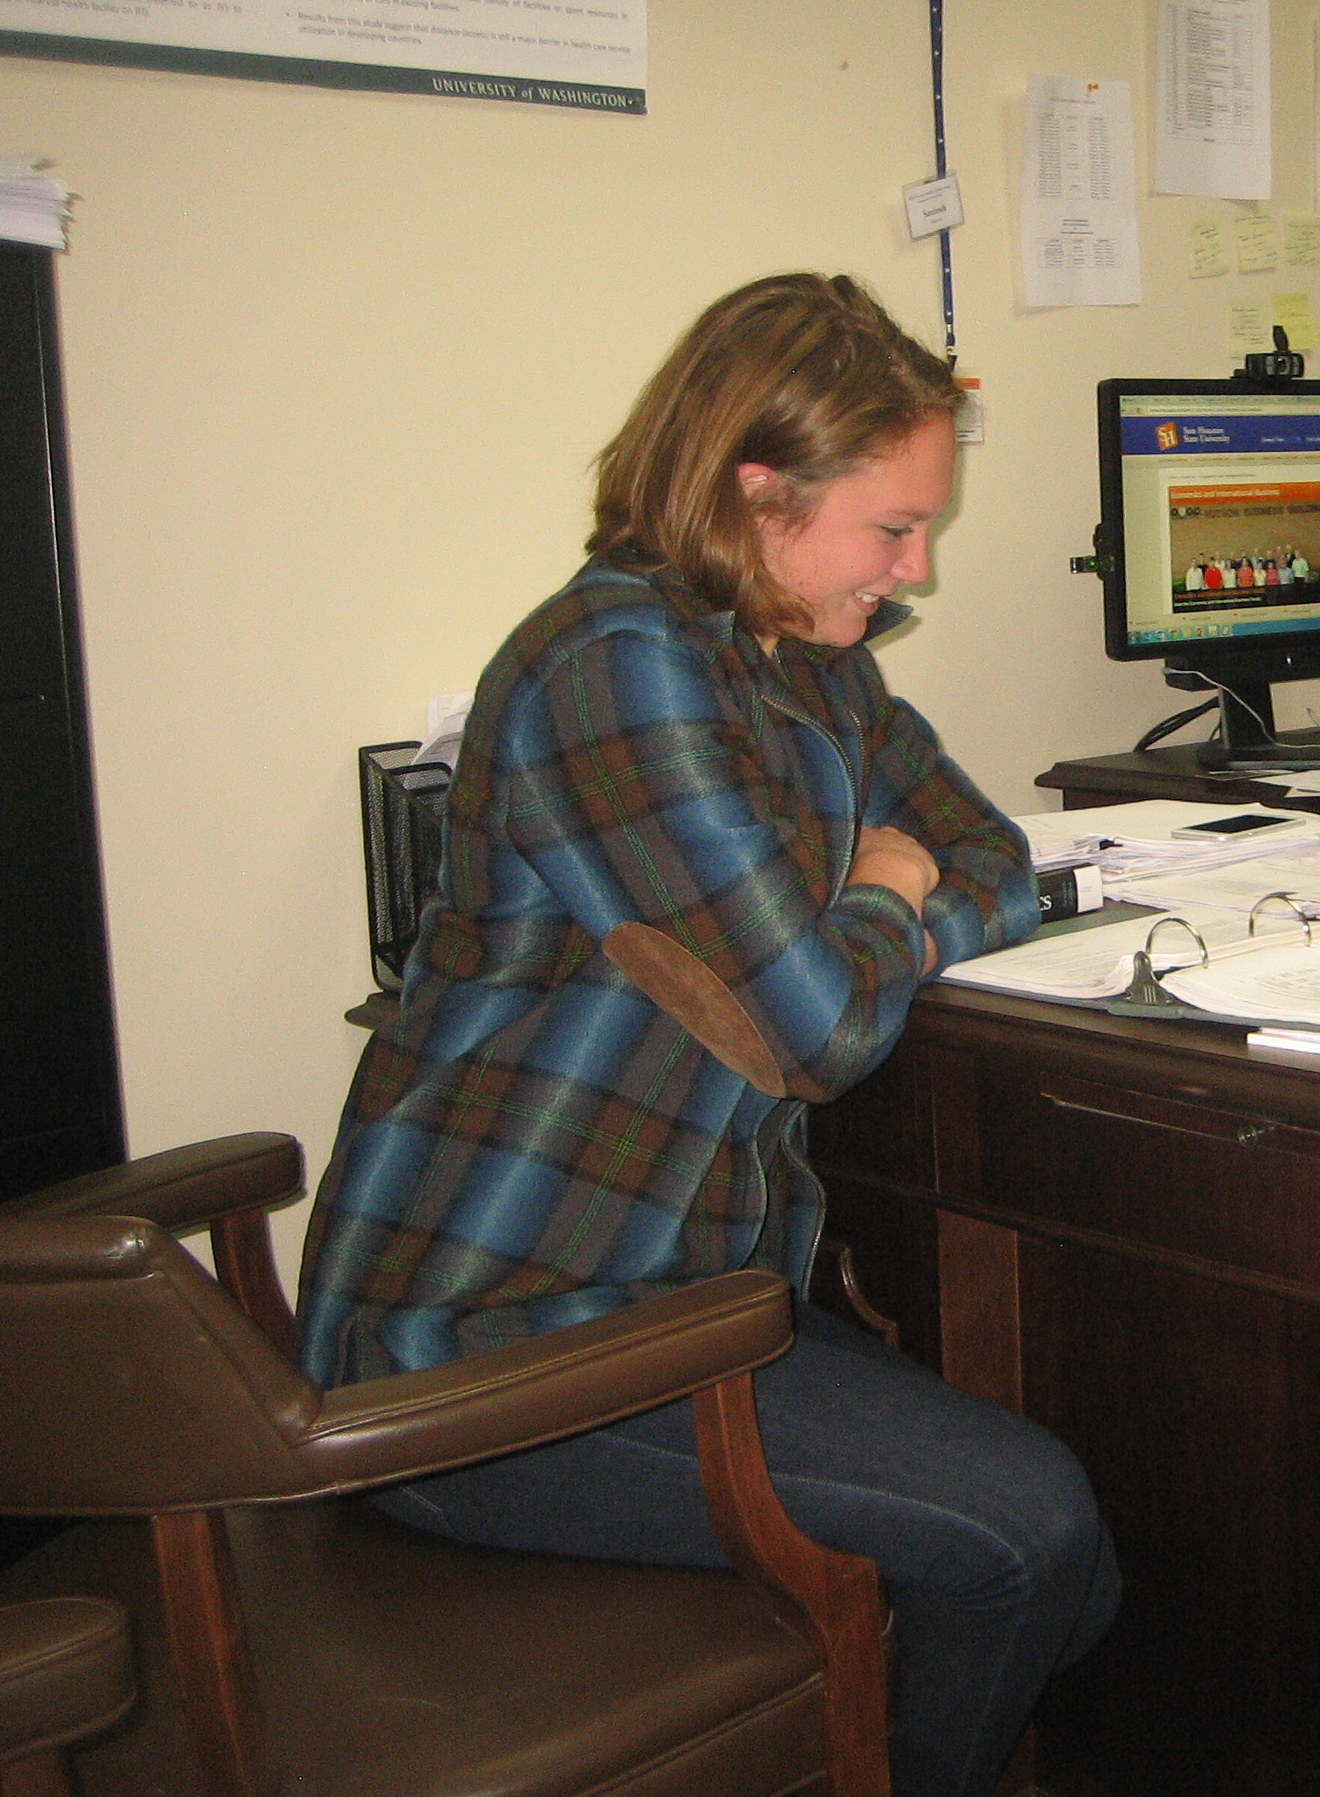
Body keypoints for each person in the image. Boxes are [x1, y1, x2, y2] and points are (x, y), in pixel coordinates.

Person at [297, 273, 1118, 1797]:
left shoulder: (810, 661)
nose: (917, 564)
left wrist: (885, 908)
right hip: (487, 1345)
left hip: (690, 1300)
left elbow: (995, 853)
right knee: (1031, 1541)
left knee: (1067, 1561)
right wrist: (881, 895)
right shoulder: (616, 663)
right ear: (759, 491)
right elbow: (812, 1033)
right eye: (892, 528)